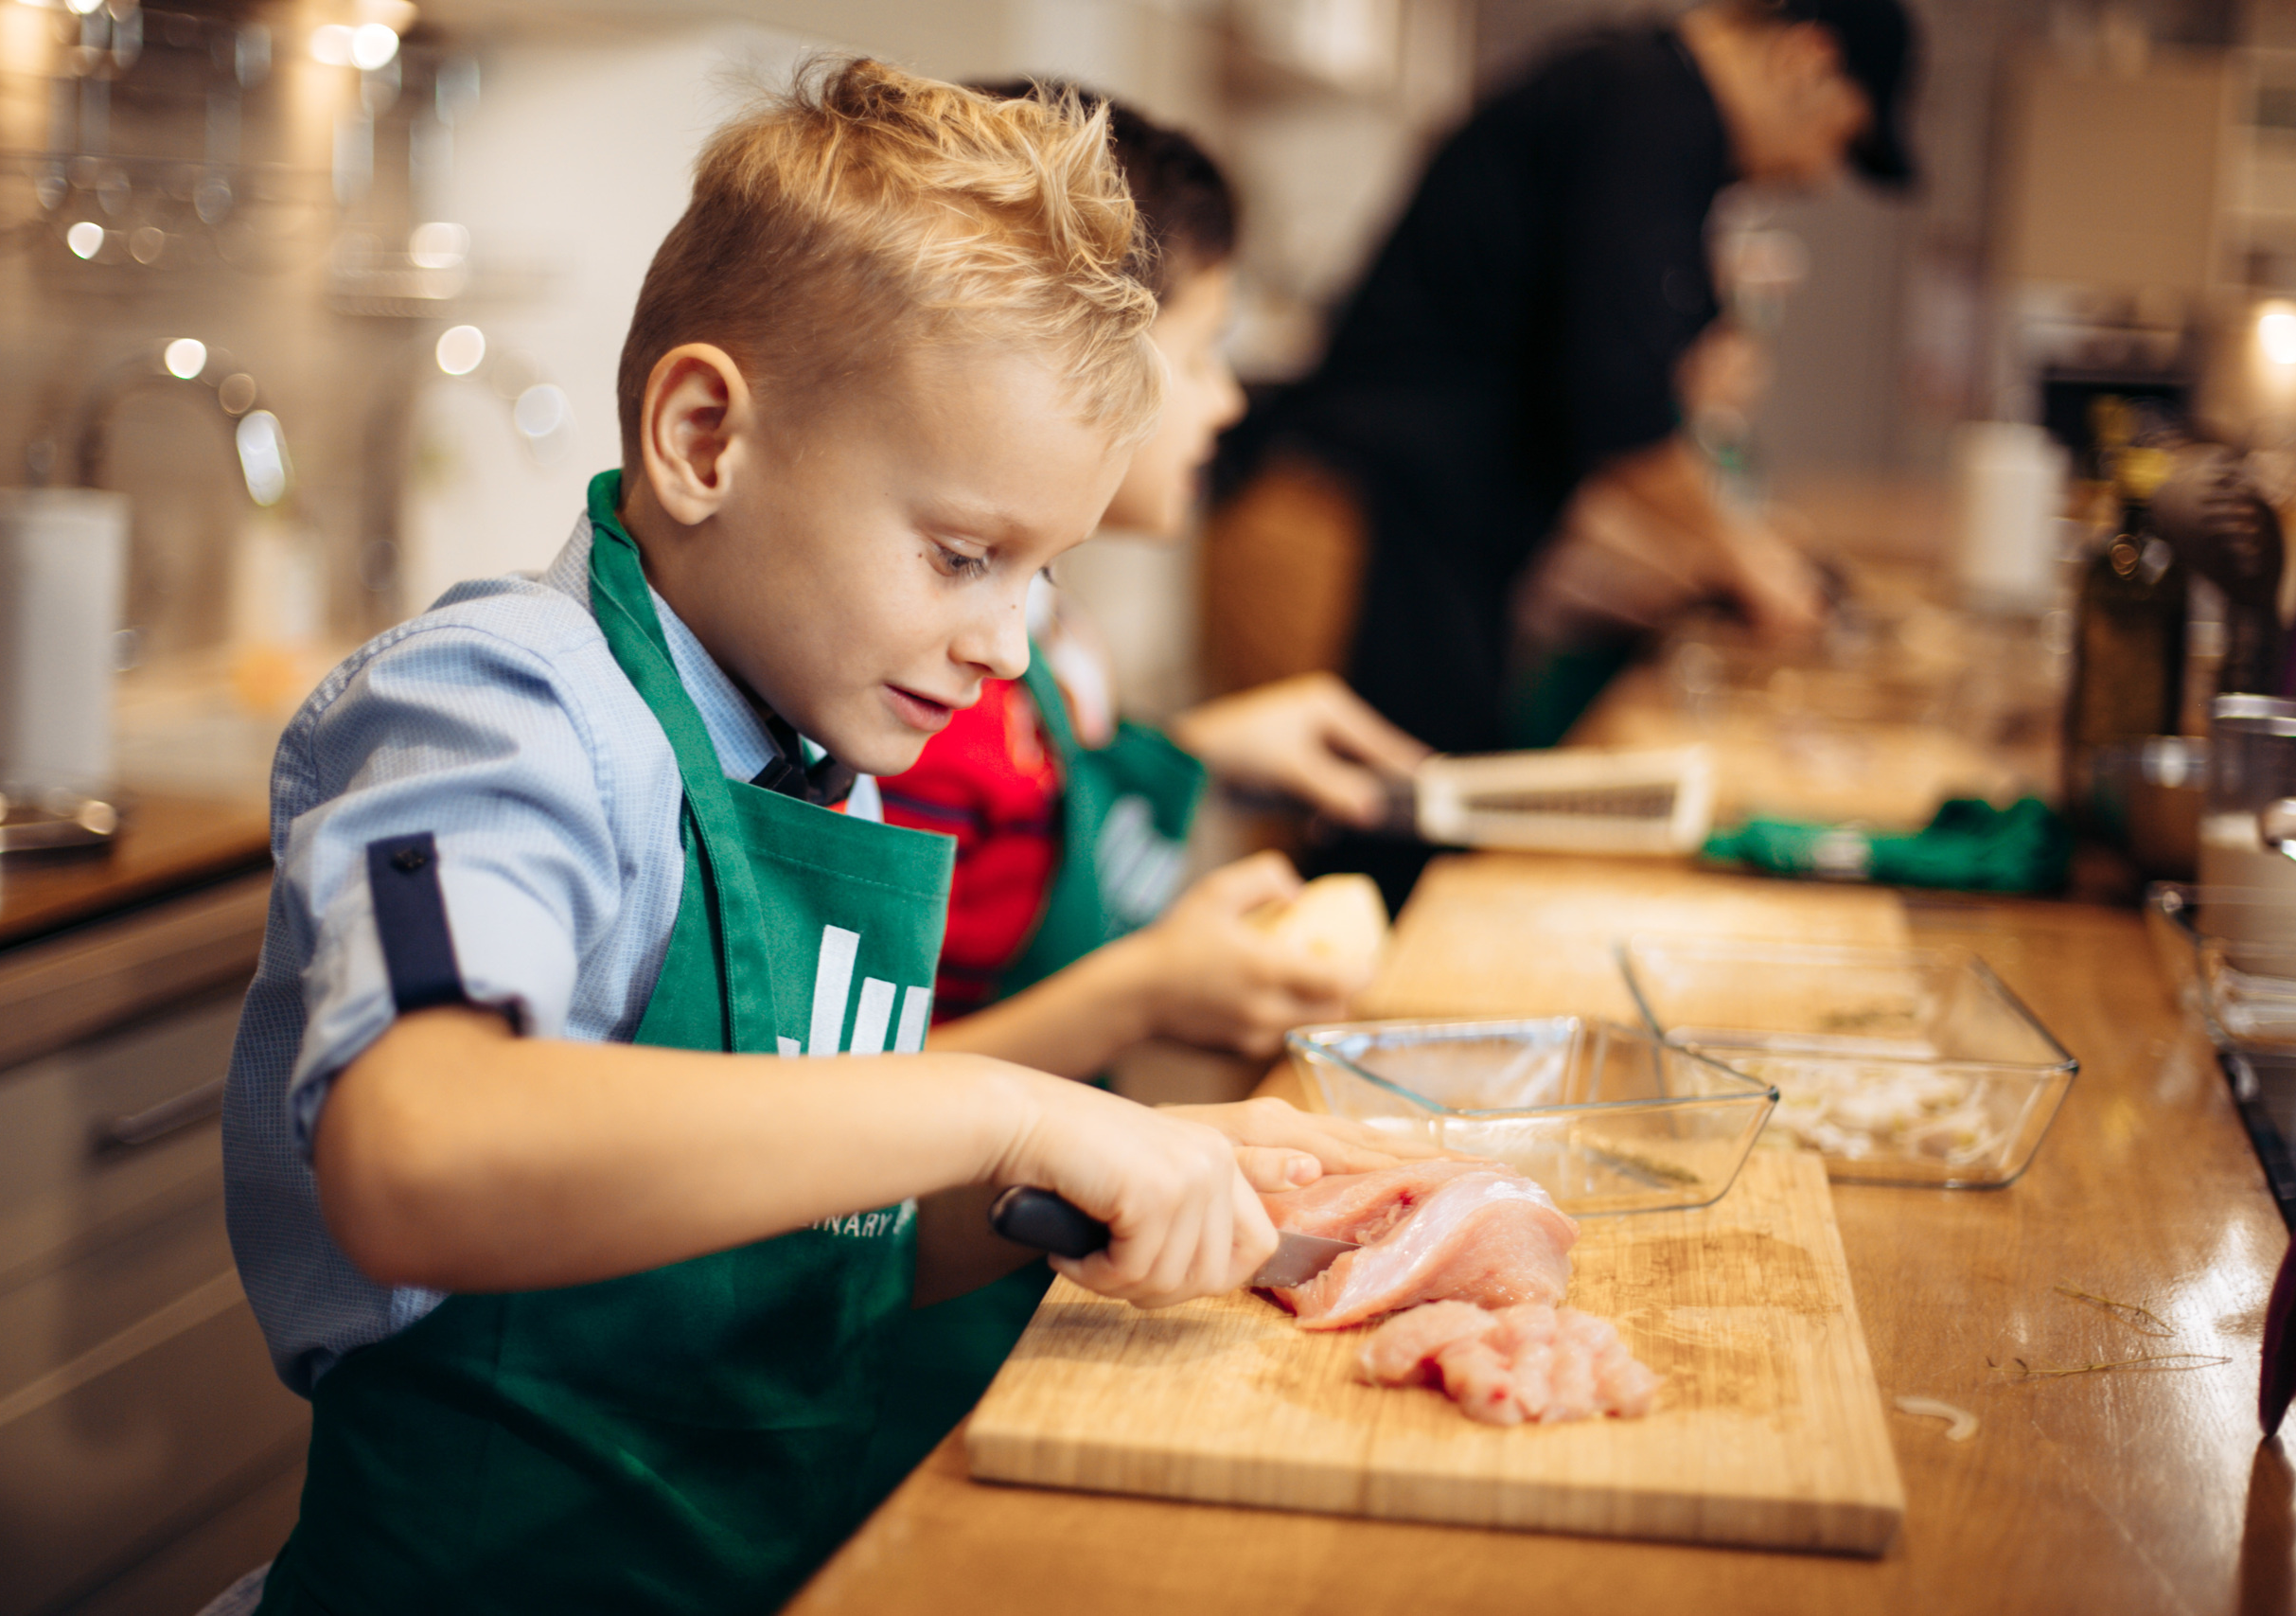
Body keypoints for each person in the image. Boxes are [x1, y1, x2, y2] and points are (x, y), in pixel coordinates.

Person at [221, 62, 1415, 1616]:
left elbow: (820, 1247)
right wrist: (993, 1104)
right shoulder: (508, 710)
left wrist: (1135, 1166)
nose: (1005, 645)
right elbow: (422, 1154)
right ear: (705, 438)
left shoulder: (814, 748)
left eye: (1036, 575)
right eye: (963, 555)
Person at [865, 87, 1428, 1502]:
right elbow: (861, 1112)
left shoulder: (1035, 640)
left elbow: (1061, 780)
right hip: (915, 1343)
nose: (1230, 398)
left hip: (1027, 1254)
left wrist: (1208, 746)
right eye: (1208, 351)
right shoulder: (917, 691)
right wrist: (1144, 984)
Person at [1208, 0, 1919, 901]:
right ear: (1810, 60)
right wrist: (1755, 562)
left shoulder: (1641, 108)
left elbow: (1570, 403)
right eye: (1839, 139)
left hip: (1401, 538)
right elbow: (1618, 410)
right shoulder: (1649, 105)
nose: (1817, 173)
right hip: (1342, 528)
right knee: (1351, 880)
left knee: (1390, 875)